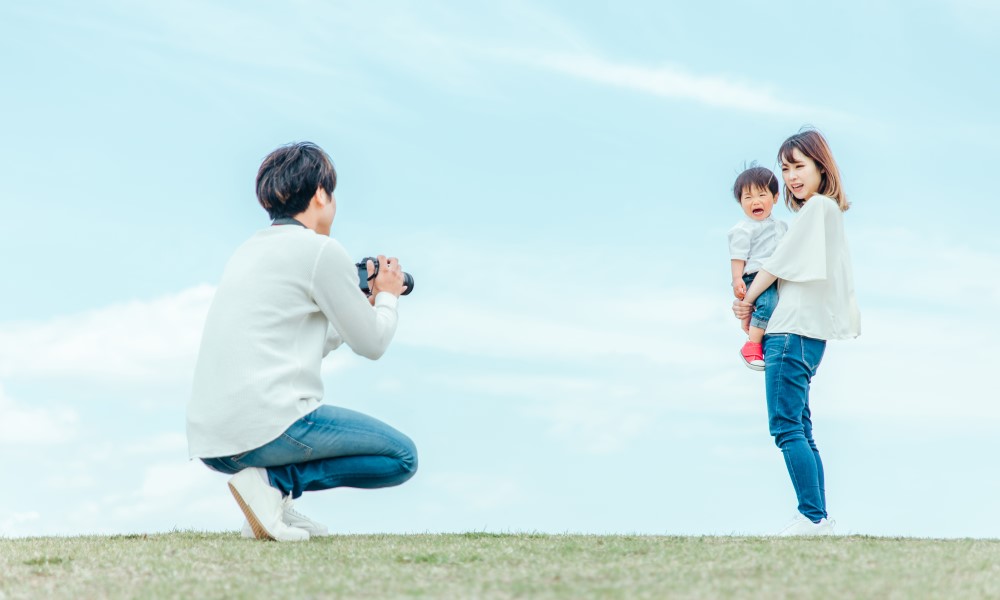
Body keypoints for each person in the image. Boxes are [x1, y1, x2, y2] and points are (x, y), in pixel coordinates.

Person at [186, 141, 417, 542]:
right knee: (401, 457)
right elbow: (374, 343)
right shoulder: (320, 251)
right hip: (268, 428)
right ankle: (275, 483)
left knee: (385, 450)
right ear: (321, 193)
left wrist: (355, 308)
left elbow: (303, 337)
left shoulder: (249, 250)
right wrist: (387, 296)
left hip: (214, 439)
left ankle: (268, 500)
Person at [733, 129, 861, 536]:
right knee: (800, 428)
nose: (790, 176)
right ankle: (818, 516)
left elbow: (776, 264)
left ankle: (811, 517)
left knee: (786, 427)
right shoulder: (826, 212)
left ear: (821, 167)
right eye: (785, 168)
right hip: (807, 336)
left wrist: (746, 300)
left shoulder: (817, 209)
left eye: (799, 166)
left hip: (789, 335)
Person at [727, 165, 788, 370]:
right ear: (740, 202)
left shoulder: (781, 226)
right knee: (767, 304)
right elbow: (738, 258)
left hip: (776, 276)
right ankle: (752, 344)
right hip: (755, 275)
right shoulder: (743, 229)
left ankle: (757, 333)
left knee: (773, 305)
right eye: (748, 197)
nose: (756, 201)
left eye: (762, 194)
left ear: (776, 197)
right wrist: (737, 280)